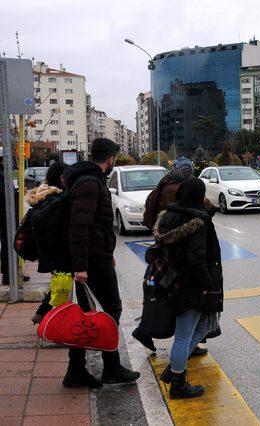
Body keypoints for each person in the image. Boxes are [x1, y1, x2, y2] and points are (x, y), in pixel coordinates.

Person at [62, 138, 140, 388]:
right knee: (109, 312)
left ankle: (76, 370)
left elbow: (94, 226)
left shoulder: (86, 180)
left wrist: (108, 252)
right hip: (92, 262)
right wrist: (81, 265)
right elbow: (79, 227)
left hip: (96, 257)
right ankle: (111, 367)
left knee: (89, 314)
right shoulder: (90, 184)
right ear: (111, 159)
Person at [153, 177, 223, 399]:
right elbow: (197, 258)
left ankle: (175, 368)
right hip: (191, 285)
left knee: (204, 326)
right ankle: (178, 383)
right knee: (184, 336)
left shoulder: (169, 216)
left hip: (173, 282)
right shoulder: (197, 222)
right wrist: (206, 285)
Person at [139, 156, 213, 356]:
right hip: (179, 247)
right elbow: (201, 211)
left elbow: (148, 218)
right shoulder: (179, 190)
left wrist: (160, 233)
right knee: (183, 297)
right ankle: (181, 344)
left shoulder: (158, 188)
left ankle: (146, 329)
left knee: (160, 293)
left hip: (162, 246)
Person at [29, 161, 69, 324]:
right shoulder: (56, 199)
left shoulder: (41, 195)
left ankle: (41, 315)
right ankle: (58, 323)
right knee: (63, 286)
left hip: (49, 251)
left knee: (60, 284)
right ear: (62, 178)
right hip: (57, 251)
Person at [0, 147, 30, 286]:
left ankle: (13, 272)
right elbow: (4, 195)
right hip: (6, 215)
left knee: (11, 244)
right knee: (9, 244)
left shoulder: (3, 173)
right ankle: (9, 274)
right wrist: (18, 194)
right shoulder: (1, 174)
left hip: (8, 213)